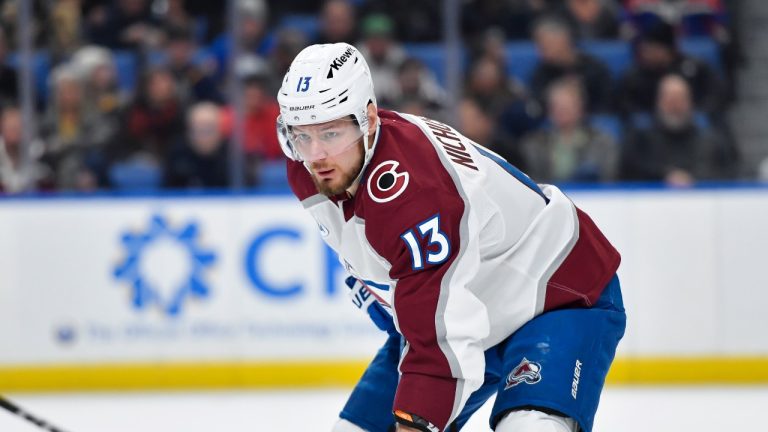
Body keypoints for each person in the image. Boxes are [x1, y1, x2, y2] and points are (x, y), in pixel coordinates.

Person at [277, 43, 626, 432]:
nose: (317, 155)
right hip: (466, 304)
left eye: (331, 132)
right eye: (301, 135)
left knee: (531, 427)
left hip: (556, 295)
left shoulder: (415, 195)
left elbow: (442, 345)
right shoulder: (308, 164)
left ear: (369, 120)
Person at [620, 74, 732, 185]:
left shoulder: (710, 140)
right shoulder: (640, 141)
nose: (675, 106)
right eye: (670, 100)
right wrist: (664, 176)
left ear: (690, 102)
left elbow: (729, 172)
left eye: (680, 100)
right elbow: (628, 173)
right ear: (659, 102)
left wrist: (693, 178)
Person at [521, 78, 618, 183]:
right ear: (549, 109)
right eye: (557, 106)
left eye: (567, 106)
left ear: (581, 108)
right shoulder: (534, 144)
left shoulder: (602, 142)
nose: (561, 111)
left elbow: (608, 179)